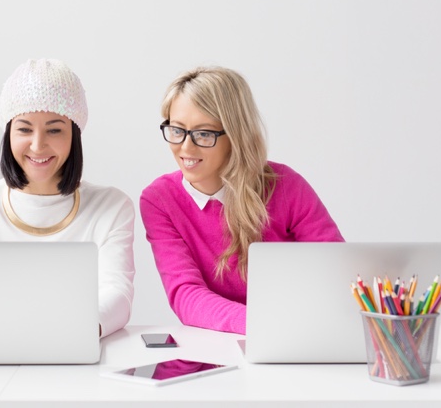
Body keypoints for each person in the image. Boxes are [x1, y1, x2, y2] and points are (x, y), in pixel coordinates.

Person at [140, 66, 344, 335]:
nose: (185, 148)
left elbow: (337, 271)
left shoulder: (285, 185)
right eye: (177, 130)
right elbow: (186, 294)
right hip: (232, 341)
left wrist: (292, 326)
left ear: (235, 135)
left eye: (203, 133)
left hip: (299, 335)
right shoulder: (159, 199)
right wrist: (263, 324)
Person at [0, 59, 135, 337]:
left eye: (54, 129)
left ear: (75, 135)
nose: (37, 145)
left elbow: (117, 294)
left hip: (76, 352)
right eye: (24, 129)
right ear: (8, 132)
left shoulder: (112, 207)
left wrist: (71, 333)